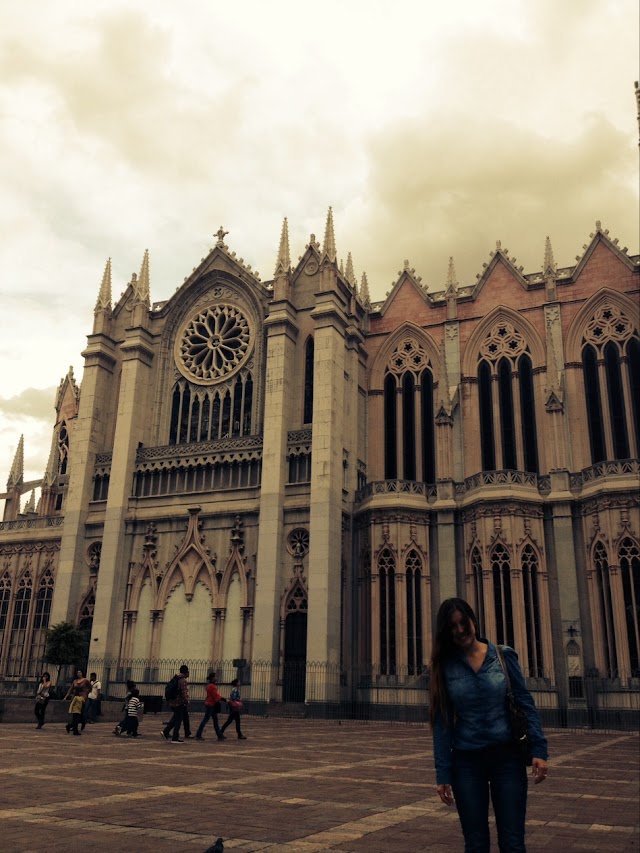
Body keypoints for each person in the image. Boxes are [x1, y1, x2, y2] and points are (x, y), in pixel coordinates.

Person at [430, 597, 548, 853]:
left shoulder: (502, 656)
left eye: (464, 623)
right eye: (453, 627)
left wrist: (539, 749)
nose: (460, 630)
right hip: (466, 763)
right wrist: (442, 773)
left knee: (513, 841)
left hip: (507, 758)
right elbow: (441, 724)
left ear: (474, 620)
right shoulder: (444, 667)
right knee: (475, 843)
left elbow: (525, 702)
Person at [161, 664, 190, 743]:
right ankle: (174, 737)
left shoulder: (175, 678)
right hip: (179, 702)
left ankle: (166, 732)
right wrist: (187, 701)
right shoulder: (183, 680)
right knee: (178, 720)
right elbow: (184, 693)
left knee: (176, 718)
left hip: (172, 701)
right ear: (186, 672)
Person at [196, 672, 227, 741]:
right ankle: (198, 735)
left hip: (211, 704)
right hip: (211, 705)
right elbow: (216, 696)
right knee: (206, 720)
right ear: (212, 678)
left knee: (215, 721)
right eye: (215, 677)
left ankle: (220, 735)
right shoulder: (212, 686)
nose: (216, 678)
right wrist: (224, 699)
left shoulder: (210, 686)